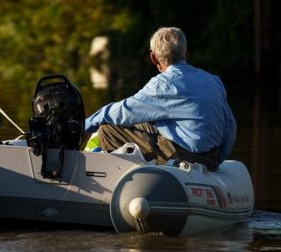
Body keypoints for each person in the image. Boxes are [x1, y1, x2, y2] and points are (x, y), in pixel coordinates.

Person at [83, 27, 236, 170]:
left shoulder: (163, 84)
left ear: (154, 58)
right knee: (147, 120)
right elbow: (230, 125)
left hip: (187, 158)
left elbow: (123, 111)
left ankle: (134, 180)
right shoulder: (213, 80)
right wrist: (217, 160)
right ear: (185, 52)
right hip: (212, 156)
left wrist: (84, 126)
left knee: (107, 130)